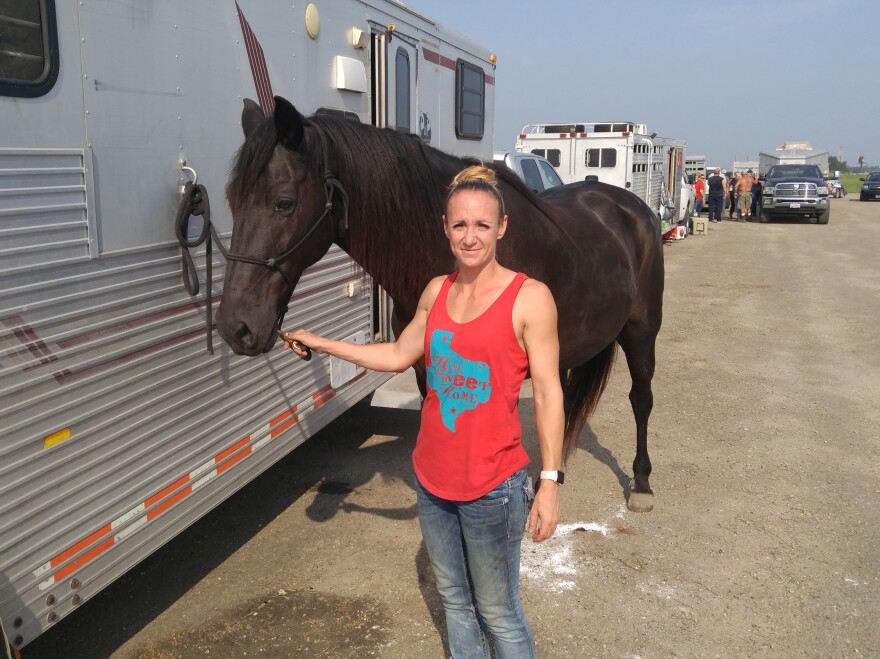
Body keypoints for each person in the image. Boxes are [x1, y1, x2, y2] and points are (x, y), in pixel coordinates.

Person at [283, 165, 565, 658]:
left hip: (493, 488)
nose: (470, 236)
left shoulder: (531, 299)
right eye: (460, 225)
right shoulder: (436, 291)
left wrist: (549, 483)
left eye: (482, 225)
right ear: (444, 227)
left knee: (499, 612)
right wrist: (323, 343)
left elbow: (547, 394)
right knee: (455, 602)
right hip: (432, 483)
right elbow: (397, 355)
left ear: (502, 227)